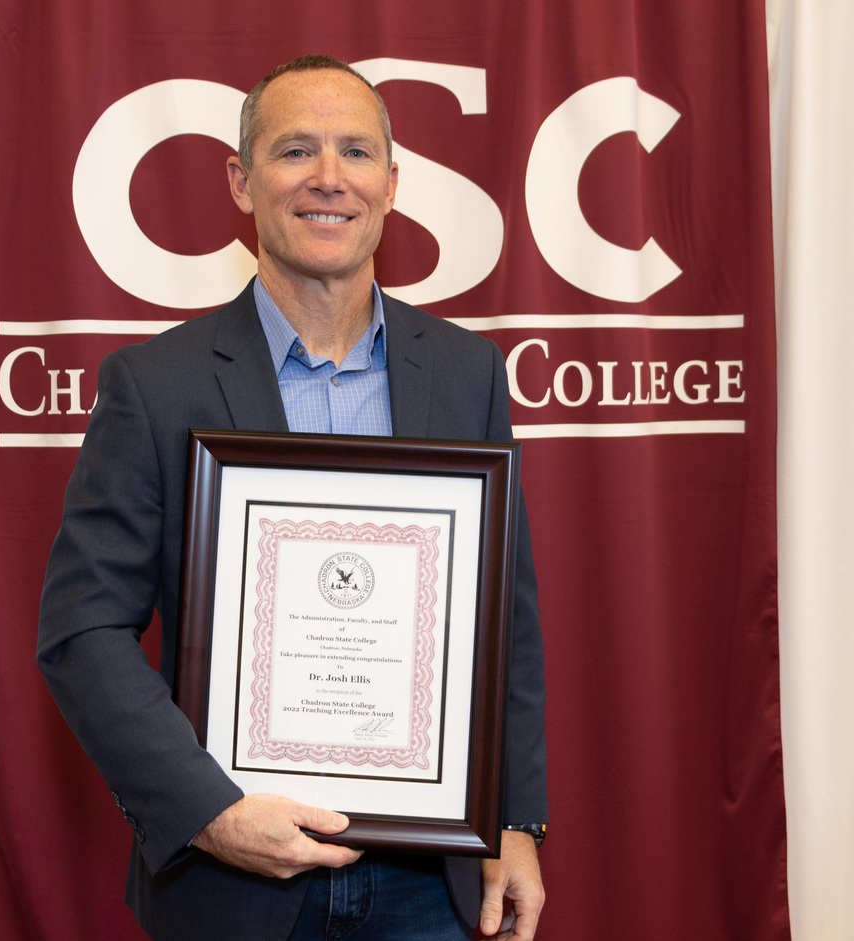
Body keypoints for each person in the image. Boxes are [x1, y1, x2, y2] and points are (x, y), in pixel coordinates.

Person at [38, 54, 547, 941]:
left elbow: (504, 619)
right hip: (233, 886)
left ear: (392, 183)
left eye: (355, 152)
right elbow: (82, 629)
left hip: (429, 885)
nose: (328, 179)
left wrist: (514, 818)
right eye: (294, 151)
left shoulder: (467, 372)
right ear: (241, 181)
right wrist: (209, 808)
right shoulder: (155, 384)